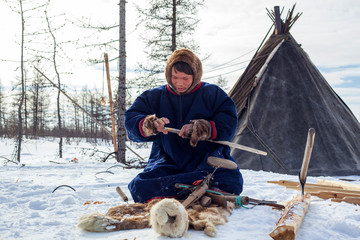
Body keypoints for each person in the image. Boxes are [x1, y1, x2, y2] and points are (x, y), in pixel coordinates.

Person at [125, 48, 243, 203]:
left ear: (195, 75)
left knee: (231, 180)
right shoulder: (154, 96)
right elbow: (131, 120)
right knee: (140, 188)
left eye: (185, 78)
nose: (179, 83)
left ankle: (179, 191)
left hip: (204, 159)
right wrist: (150, 124)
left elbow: (228, 125)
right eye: (175, 77)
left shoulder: (213, 94)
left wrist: (201, 128)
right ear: (168, 74)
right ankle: (199, 190)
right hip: (167, 160)